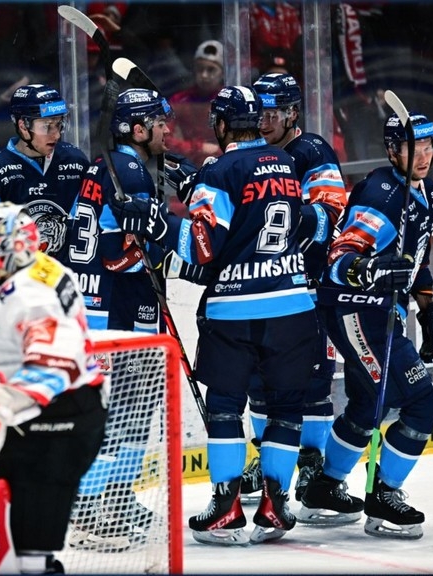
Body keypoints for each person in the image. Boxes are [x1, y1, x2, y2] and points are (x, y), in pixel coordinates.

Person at [109, 85, 319, 544]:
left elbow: (203, 248)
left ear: (221, 126)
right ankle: (275, 505)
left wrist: (158, 224)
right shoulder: (285, 163)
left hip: (235, 311)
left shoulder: (219, 172)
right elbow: (285, 218)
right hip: (293, 304)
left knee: (226, 407)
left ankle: (226, 508)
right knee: (285, 408)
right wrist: (193, 180)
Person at [299, 112, 433, 540]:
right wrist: (367, 270)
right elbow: (341, 257)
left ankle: (323, 489)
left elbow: (414, 258)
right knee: (422, 404)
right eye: (411, 147)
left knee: (369, 405)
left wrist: (427, 305)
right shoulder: (382, 195)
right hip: (356, 310)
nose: (423, 155)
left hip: (379, 312)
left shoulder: (429, 193)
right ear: (392, 151)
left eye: (428, 145)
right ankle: (384, 496)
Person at [0, 202, 108, 574]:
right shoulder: (43, 268)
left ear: (8, 249)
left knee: (25, 551)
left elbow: (54, 363)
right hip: (67, 412)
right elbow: (31, 330)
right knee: (10, 521)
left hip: (60, 418)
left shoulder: (30, 294)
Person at [64, 88, 174, 551]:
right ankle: (87, 509)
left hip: (96, 305)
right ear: (138, 128)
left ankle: (115, 496)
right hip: (119, 308)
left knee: (129, 406)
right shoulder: (130, 171)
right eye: (159, 123)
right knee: (128, 406)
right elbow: (117, 255)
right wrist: (163, 240)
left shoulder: (105, 166)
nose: (168, 130)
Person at [238, 72, 349, 506]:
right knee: (259, 379)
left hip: (310, 287)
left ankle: (312, 463)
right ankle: (266, 462)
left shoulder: (312, 150)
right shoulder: (252, 152)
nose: (263, 121)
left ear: (291, 113)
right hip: (263, 288)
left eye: (272, 113)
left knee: (314, 383)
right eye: (258, 112)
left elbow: (327, 217)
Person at [0, 83, 89, 320]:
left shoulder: (75, 162)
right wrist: (1, 266)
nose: (56, 134)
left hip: (60, 296)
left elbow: (89, 222)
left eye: (59, 124)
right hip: (4, 303)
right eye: (47, 126)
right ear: (23, 125)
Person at [166, 40, 224, 169]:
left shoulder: (228, 99)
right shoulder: (179, 100)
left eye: (211, 69)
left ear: (223, 73)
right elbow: (166, 139)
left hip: (222, 165)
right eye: (200, 69)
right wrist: (199, 147)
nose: (204, 75)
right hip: (188, 166)